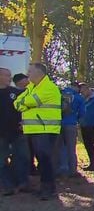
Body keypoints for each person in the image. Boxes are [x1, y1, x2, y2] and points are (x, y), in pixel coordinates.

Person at [13, 63, 61, 199]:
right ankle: (45, 187)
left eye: (30, 71)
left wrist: (25, 104)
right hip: (33, 129)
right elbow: (17, 103)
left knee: (45, 160)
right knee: (41, 160)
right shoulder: (31, 87)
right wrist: (25, 104)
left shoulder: (49, 87)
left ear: (39, 73)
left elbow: (31, 101)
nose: (28, 74)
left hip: (46, 129)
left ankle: (49, 189)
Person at [0, 67, 31, 195]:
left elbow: (26, 109)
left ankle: (23, 183)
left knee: (22, 157)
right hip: (1, 134)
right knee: (2, 160)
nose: (10, 78)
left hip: (18, 132)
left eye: (10, 75)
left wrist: (24, 121)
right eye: (7, 75)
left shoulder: (15, 92)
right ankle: (7, 185)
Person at [56, 81, 84, 177]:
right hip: (71, 124)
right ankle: (72, 170)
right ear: (76, 87)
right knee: (71, 148)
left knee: (59, 147)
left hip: (58, 124)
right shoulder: (78, 97)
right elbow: (82, 113)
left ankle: (60, 168)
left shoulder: (60, 94)